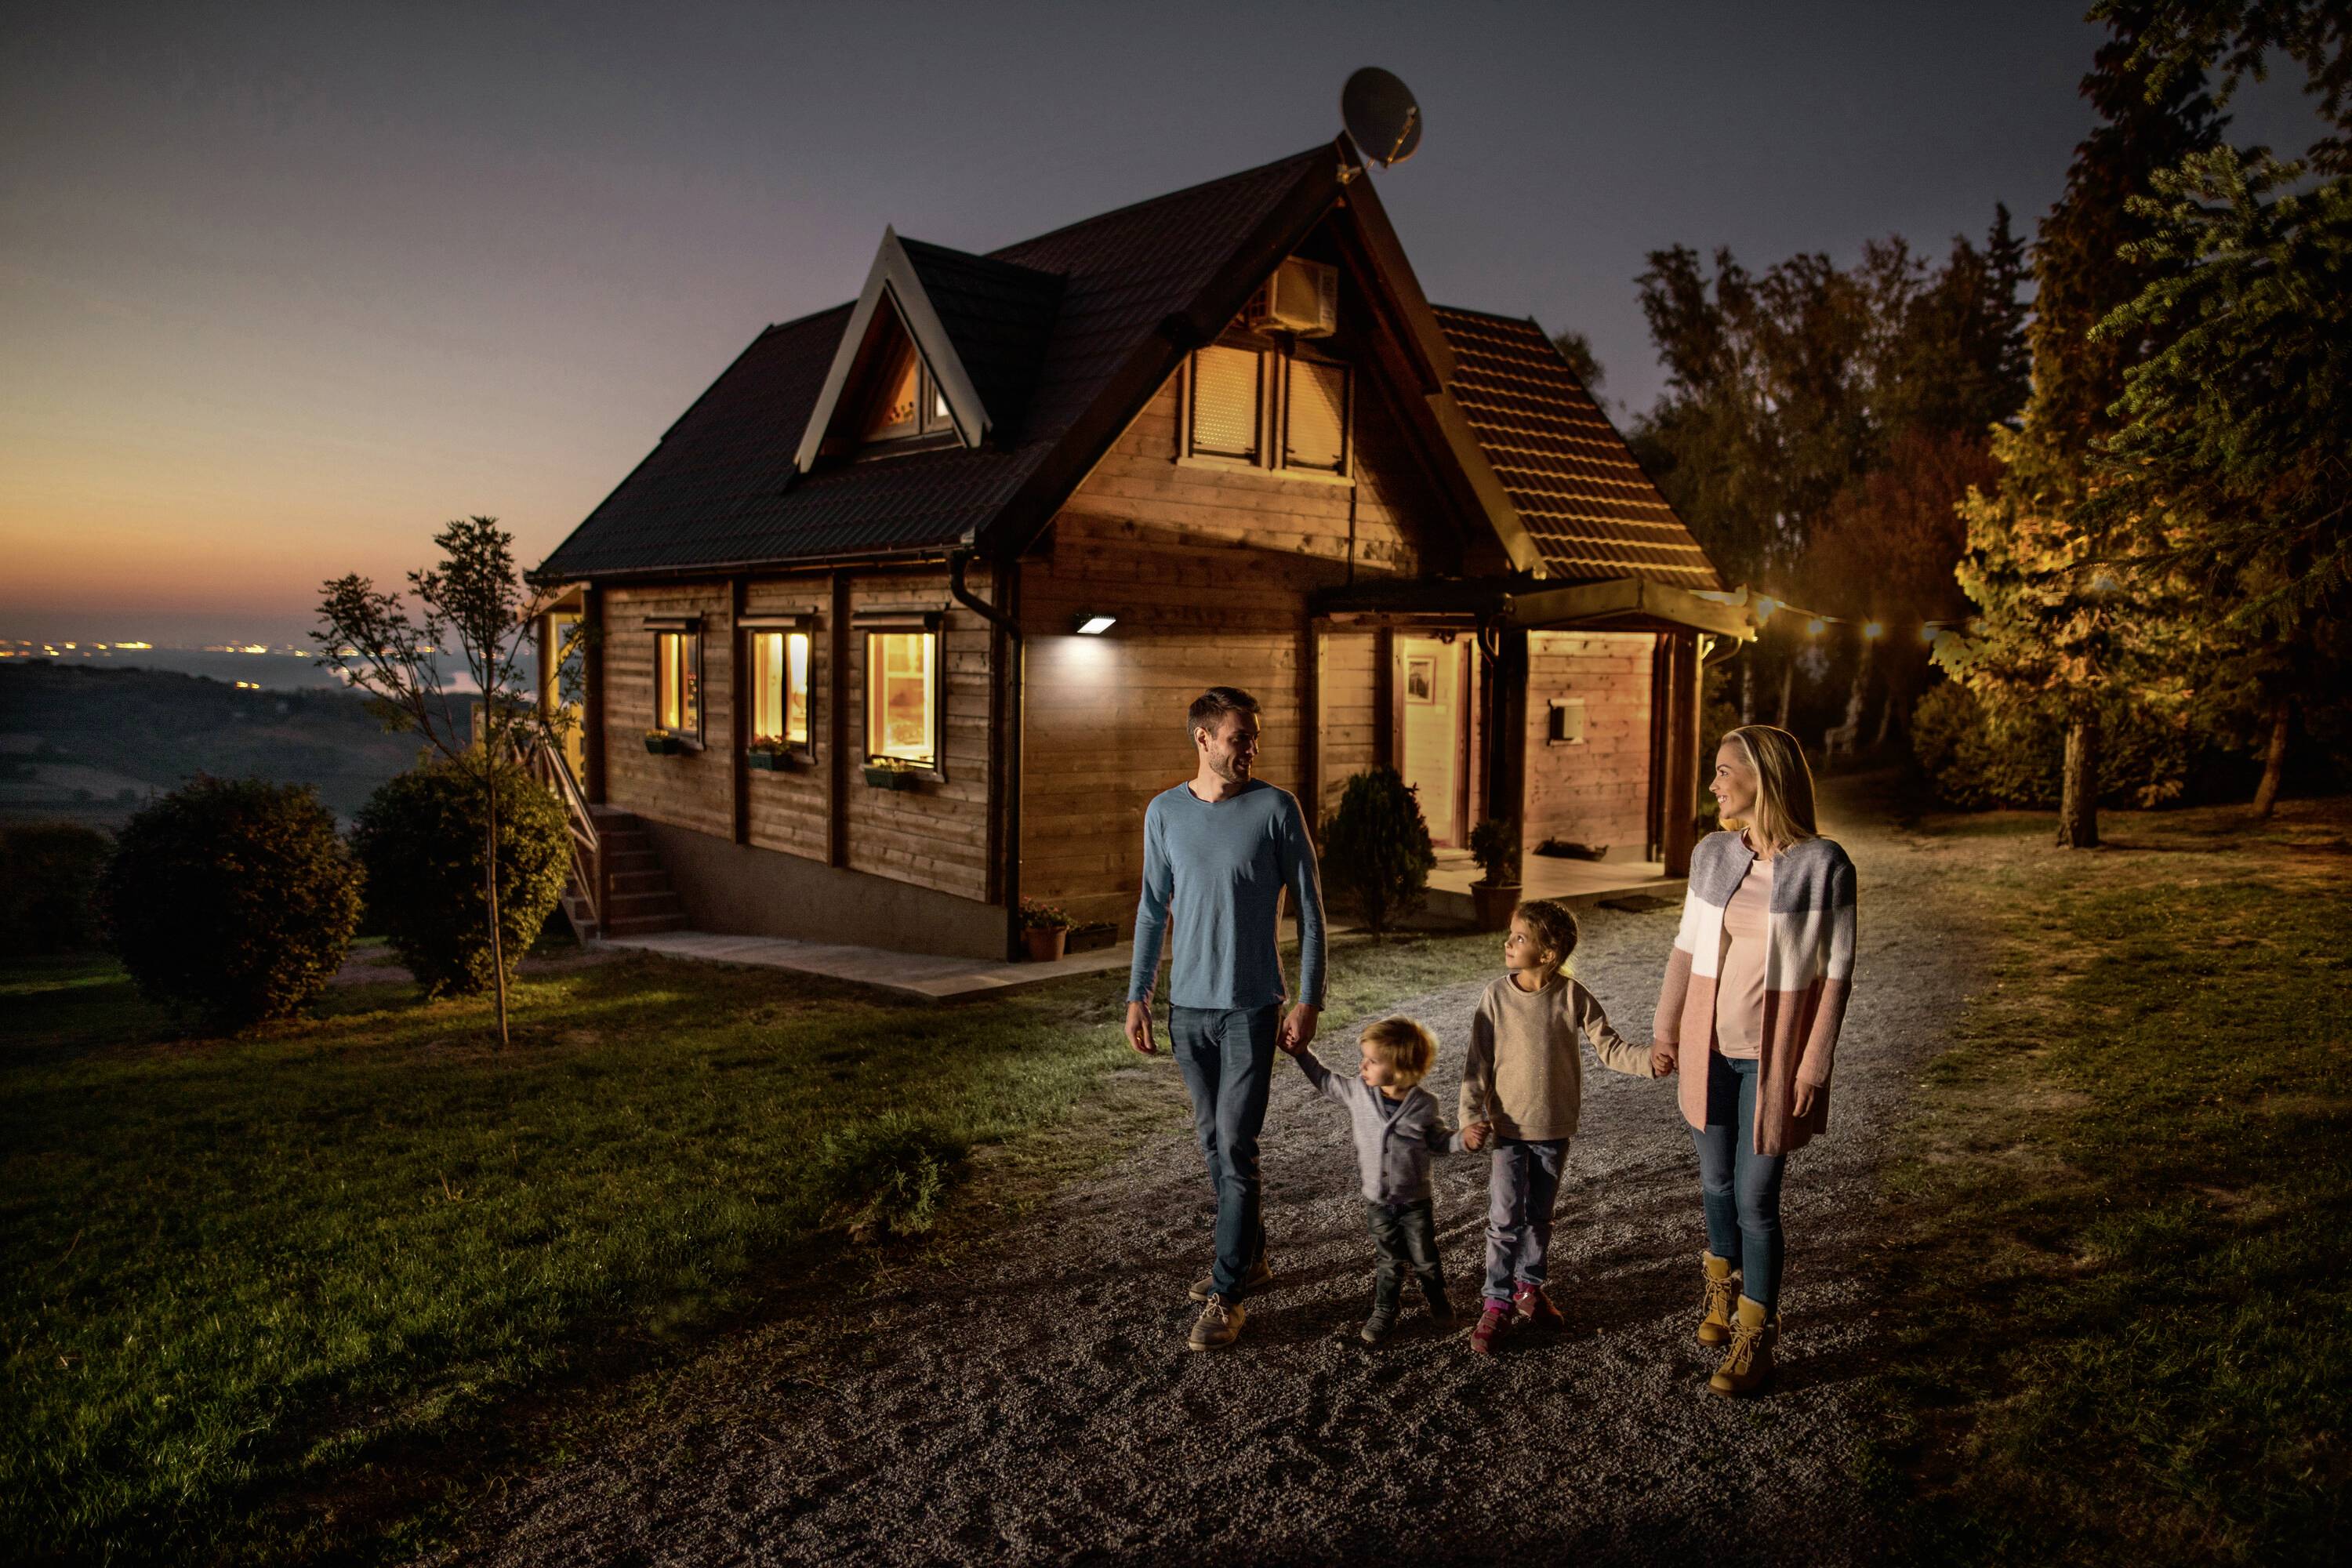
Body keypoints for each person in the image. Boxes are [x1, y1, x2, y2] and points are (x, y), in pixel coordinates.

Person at [1651, 724, 1857, 1396]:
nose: (1714, 784)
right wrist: (1666, 1031)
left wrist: (1812, 1068)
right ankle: (1721, 1292)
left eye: (1722, 771)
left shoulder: (1826, 864)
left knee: (1755, 1197)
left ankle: (1756, 1334)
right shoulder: (1712, 853)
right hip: (1708, 1050)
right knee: (1714, 1184)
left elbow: (1835, 976)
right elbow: (1686, 949)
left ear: (1762, 777)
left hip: (1770, 1064)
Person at [1125, 687, 1327, 1352]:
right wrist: (1138, 995)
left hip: (1251, 1009)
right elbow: (1153, 909)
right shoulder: (1164, 813)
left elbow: (1311, 908)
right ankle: (1253, 1255)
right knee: (1215, 1146)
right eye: (1239, 738)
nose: (1251, 749)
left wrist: (1308, 999)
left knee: (1236, 1149)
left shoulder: (1275, 809)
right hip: (1188, 1012)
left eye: (1253, 739)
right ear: (1203, 739)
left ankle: (1227, 1293)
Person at [1458, 896, 1655, 1355]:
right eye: (1511, 934)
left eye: (1520, 937)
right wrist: (1471, 1116)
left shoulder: (1573, 996)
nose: (1508, 943)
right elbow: (1477, 1063)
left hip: (1554, 1129)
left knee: (1540, 1216)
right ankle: (1497, 1303)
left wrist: (1651, 1060)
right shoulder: (1496, 996)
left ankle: (1529, 1287)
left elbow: (1611, 1048)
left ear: (1547, 954)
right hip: (1508, 1131)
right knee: (1505, 1218)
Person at [1281, 1016, 1469, 1345]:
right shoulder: (1358, 1092)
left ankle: (1437, 1298)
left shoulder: (1424, 1105)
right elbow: (1325, 1080)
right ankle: (1385, 1309)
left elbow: (1439, 1141)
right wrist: (1301, 1053)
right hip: (1378, 1203)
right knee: (1389, 1261)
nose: (1362, 1065)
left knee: (1426, 1257)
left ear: (1399, 1069)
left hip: (1415, 1202)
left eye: (1372, 1061)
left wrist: (1463, 1140)